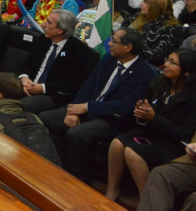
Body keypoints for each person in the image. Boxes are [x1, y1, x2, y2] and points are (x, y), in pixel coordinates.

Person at [39, 28, 156, 182]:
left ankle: (80, 178)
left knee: (77, 134)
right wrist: (74, 110)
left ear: (128, 47)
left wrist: (88, 107)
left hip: (113, 119)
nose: (109, 43)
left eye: (114, 41)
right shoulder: (109, 59)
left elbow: (127, 106)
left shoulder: (145, 73)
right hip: (87, 107)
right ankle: (61, 164)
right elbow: (88, 85)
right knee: (46, 118)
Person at [105, 49, 196, 201]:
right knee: (116, 143)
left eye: (172, 62)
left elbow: (185, 134)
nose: (165, 65)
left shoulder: (192, 97)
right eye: (167, 60)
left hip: (172, 143)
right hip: (150, 132)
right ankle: (112, 190)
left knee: (132, 152)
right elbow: (147, 116)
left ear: (186, 72)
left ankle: (147, 199)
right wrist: (142, 114)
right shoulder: (160, 84)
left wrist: (154, 118)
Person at [18, 9, 94, 113]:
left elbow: (73, 84)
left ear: (60, 30)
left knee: (23, 104)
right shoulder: (43, 40)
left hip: (52, 95)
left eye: (48, 22)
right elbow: (27, 64)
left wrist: (42, 88)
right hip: (28, 85)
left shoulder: (79, 51)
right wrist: (24, 78)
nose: (43, 24)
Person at [123, 0, 184, 68]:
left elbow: (157, 55)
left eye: (145, 2)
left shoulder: (171, 28)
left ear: (155, 6)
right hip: (125, 56)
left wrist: (129, 50)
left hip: (146, 66)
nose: (140, 4)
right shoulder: (139, 16)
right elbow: (122, 30)